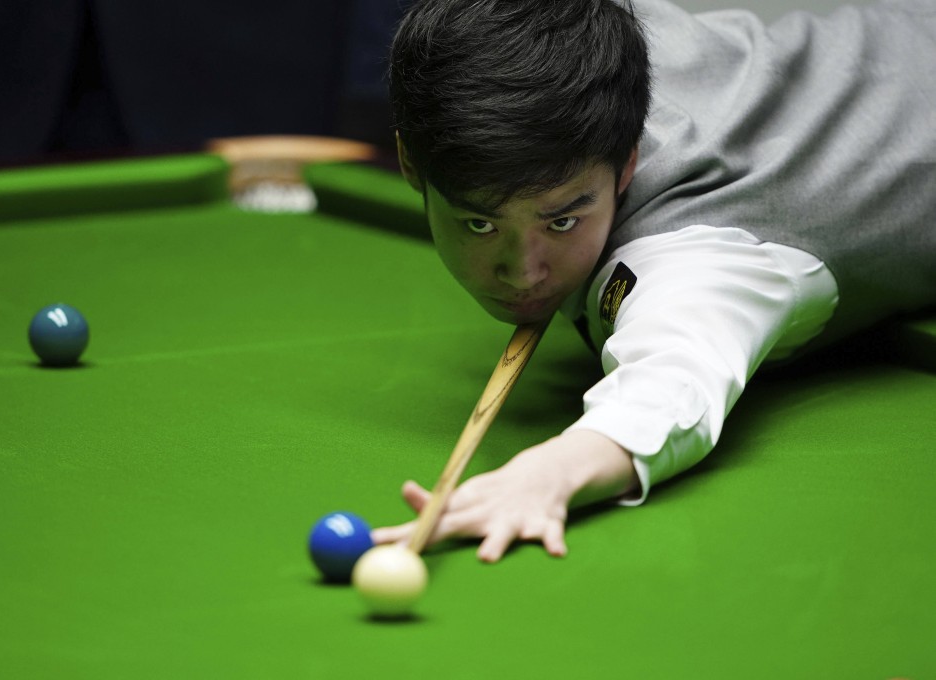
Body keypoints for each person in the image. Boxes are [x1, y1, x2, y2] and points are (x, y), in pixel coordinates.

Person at [370, 0, 936, 562]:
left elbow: (675, 378)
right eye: (480, 223)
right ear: (409, 162)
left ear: (628, 163)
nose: (524, 272)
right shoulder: (583, 32)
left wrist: (550, 473)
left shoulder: (694, 251)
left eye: (563, 220)